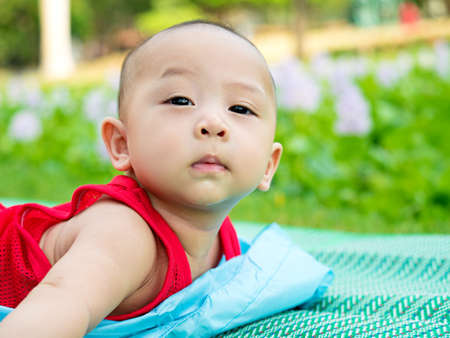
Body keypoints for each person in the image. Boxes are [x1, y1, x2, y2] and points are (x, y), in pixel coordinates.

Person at [0, 20, 283, 337]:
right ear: (122, 144)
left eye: (241, 108)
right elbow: (56, 306)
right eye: (180, 101)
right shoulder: (125, 235)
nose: (214, 123)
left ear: (269, 165)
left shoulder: (223, 246)